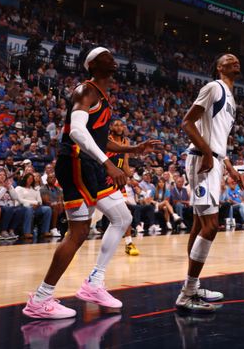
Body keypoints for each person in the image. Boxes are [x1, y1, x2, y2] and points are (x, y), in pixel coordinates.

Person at [23, 47, 160, 319]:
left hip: (89, 164)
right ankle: (40, 299)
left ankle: (94, 282)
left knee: (122, 217)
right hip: (75, 161)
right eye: (106, 55)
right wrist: (108, 163)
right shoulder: (86, 91)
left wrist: (133, 149)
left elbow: (99, 140)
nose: (113, 57)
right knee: (79, 232)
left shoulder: (102, 96)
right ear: (94, 65)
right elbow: (76, 132)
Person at [175, 53, 244, 314]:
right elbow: (187, 122)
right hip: (202, 160)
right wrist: (206, 154)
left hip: (213, 160)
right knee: (211, 226)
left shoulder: (230, 98)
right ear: (218, 66)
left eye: (237, 59)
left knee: (198, 224)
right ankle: (187, 293)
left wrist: (230, 168)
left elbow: (218, 140)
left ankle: (193, 284)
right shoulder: (214, 87)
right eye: (228, 59)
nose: (235, 61)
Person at [106, 120, 140, 256]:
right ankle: (72, 234)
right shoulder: (106, 140)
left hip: (118, 182)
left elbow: (125, 164)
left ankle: (128, 243)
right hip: (104, 179)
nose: (119, 127)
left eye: (121, 125)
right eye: (116, 124)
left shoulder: (126, 142)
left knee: (126, 214)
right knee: (91, 215)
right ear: (111, 127)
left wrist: (131, 179)